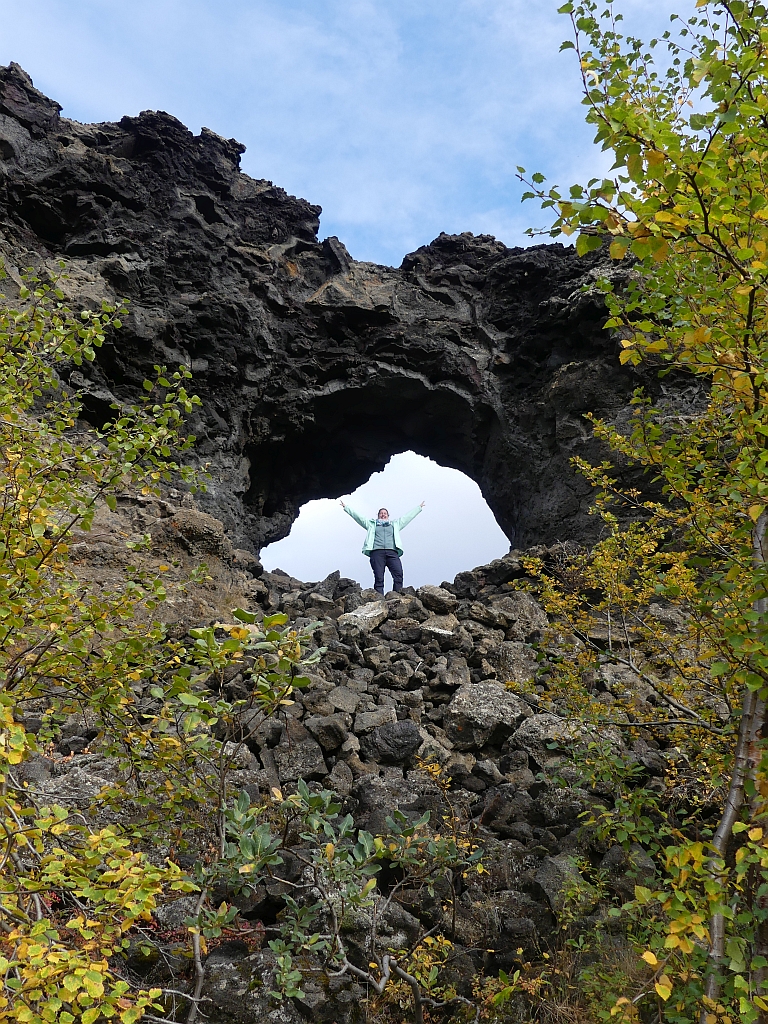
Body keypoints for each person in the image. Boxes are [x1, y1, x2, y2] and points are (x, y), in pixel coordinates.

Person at [340, 499, 425, 595]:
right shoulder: (372, 524)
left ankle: (396, 596)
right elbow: (359, 517)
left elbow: (407, 517)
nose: (383, 515)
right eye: (381, 513)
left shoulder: (395, 524)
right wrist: (346, 507)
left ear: (388, 516)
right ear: (378, 515)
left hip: (392, 552)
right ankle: (379, 598)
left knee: (398, 574)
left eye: (385, 513)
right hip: (377, 553)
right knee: (379, 577)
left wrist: (418, 508)